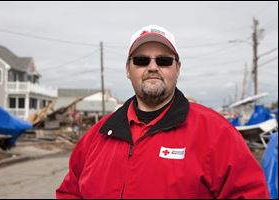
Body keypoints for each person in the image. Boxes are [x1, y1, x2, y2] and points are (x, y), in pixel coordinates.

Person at [56, 25, 270, 199]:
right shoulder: (97, 135)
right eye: (141, 60)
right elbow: (70, 192)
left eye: (163, 60)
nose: (152, 67)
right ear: (128, 69)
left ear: (177, 68)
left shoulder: (216, 133)